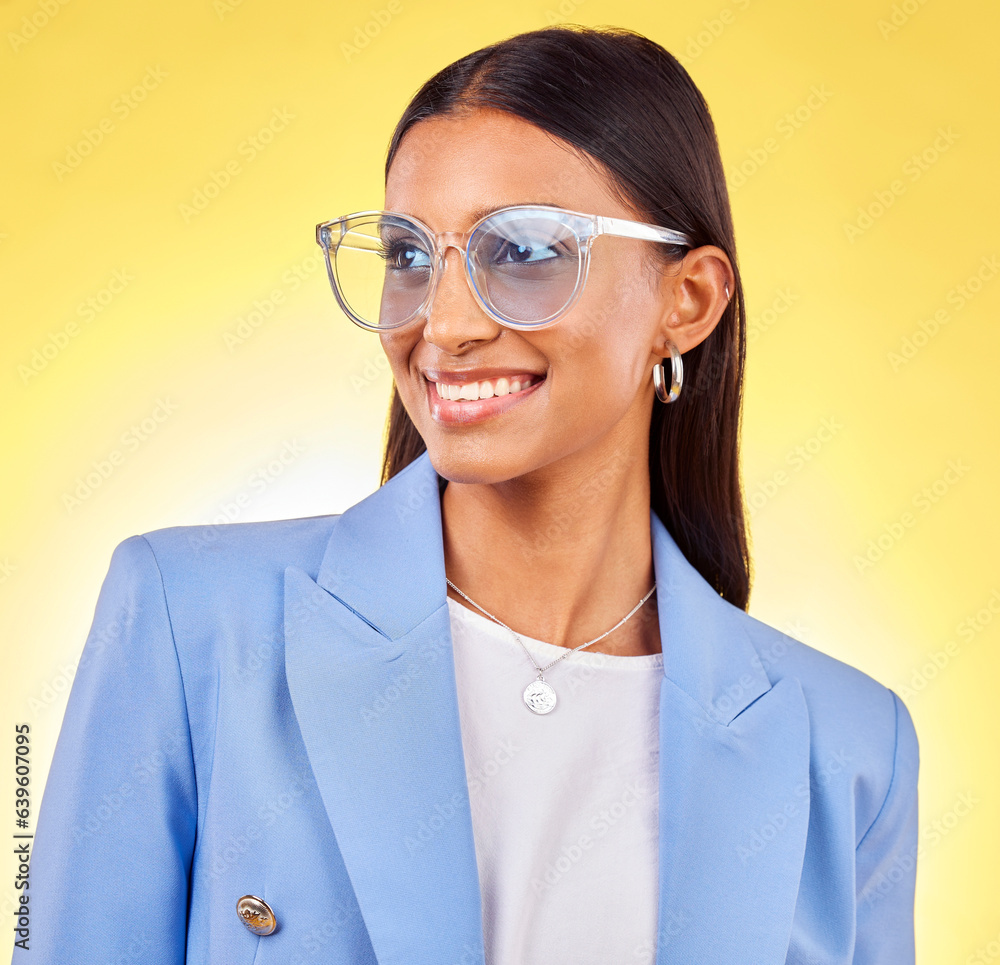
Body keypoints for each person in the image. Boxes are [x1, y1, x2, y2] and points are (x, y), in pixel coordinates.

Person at [15, 24, 918, 965]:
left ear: (684, 301)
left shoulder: (849, 751)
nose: (441, 325)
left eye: (522, 250)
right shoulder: (189, 623)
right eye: (409, 255)